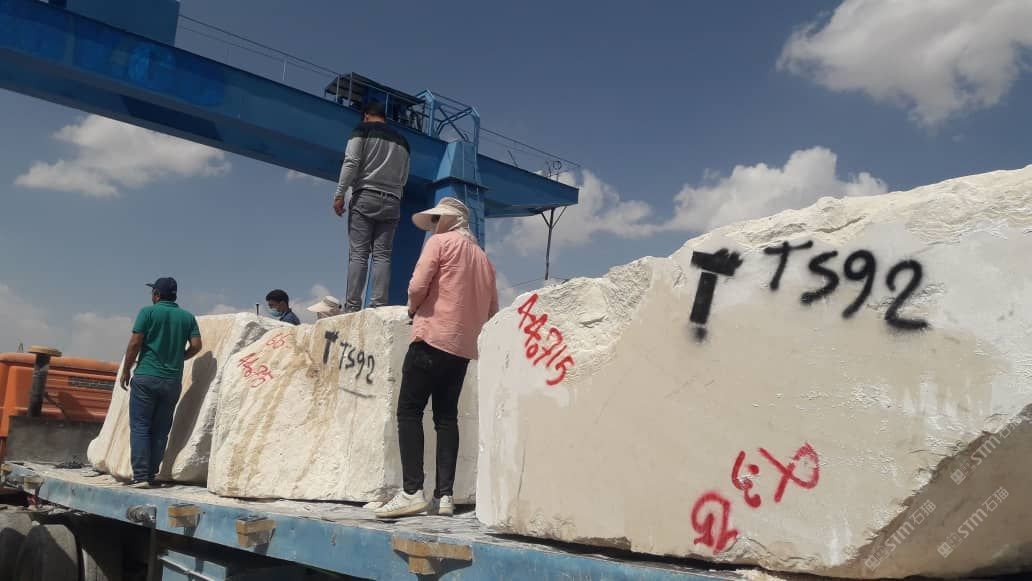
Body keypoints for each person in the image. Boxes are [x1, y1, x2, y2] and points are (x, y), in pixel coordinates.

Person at [375, 197, 498, 519]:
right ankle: (445, 496)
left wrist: (413, 309)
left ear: (445, 221)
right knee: (446, 418)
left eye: (435, 221)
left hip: (431, 337)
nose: (432, 226)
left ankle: (411, 491)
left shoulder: (440, 243)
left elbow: (418, 285)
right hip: (461, 350)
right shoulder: (484, 260)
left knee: (409, 411)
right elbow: (492, 309)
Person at [119, 277, 202, 488]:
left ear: (156, 294)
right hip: (172, 381)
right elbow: (196, 345)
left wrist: (126, 369)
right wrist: (180, 356)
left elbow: (135, 342)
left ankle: (140, 476)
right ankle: (151, 475)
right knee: (160, 430)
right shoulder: (188, 317)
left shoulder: (147, 312)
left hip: (146, 377)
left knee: (140, 427)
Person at [333, 101, 411, 313]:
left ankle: (352, 307)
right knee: (382, 255)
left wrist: (340, 194)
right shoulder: (403, 141)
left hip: (366, 195)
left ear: (366, 116)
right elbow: (404, 177)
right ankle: (378, 305)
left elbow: (351, 162)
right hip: (393, 201)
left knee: (359, 254)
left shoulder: (362, 130)